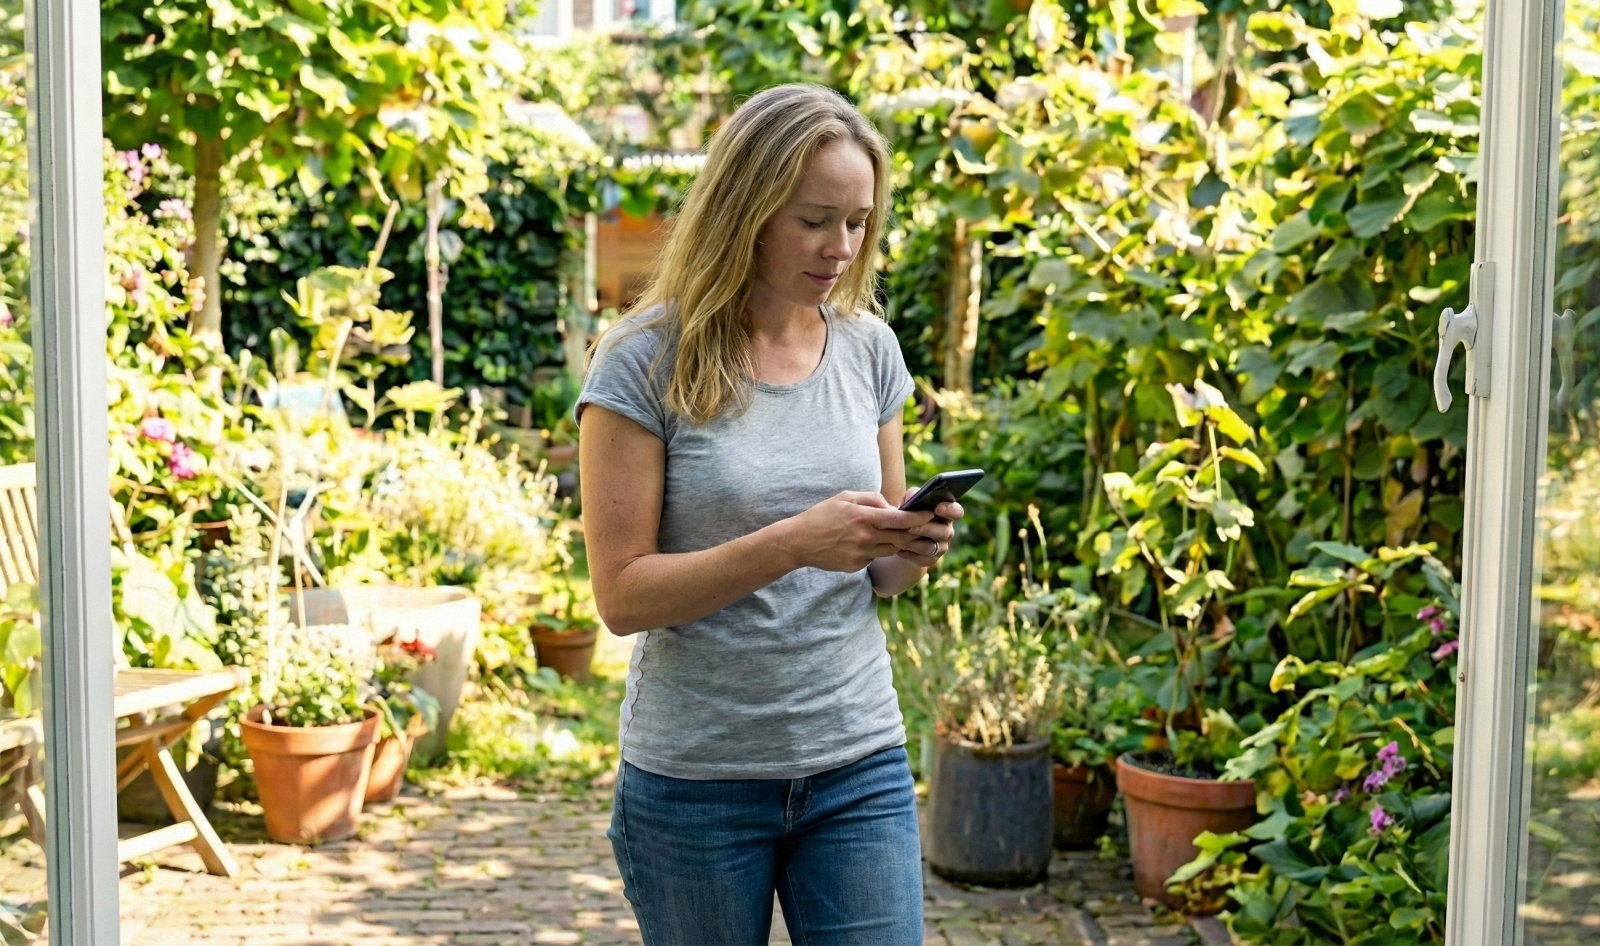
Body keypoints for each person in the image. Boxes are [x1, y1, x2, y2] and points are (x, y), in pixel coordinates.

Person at [575, 83, 965, 946]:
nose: (842, 247)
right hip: (696, 783)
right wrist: (794, 542)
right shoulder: (643, 360)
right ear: (746, 210)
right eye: (815, 219)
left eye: (859, 222)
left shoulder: (868, 348)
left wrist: (913, 541)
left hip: (856, 758)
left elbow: (882, 576)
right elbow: (623, 597)